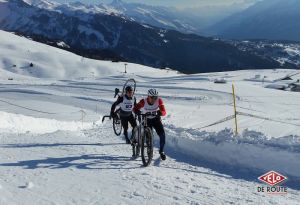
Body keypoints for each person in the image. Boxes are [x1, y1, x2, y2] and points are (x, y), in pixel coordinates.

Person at [133, 88, 167, 160]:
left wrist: (161, 113)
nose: (154, 99)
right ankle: (149, 149)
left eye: (155, 97)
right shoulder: (143, 101)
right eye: (152, 97)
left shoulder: (159, 101)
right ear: (148, 96)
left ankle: (161, 151)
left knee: (162, 135)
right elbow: (135, 108)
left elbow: (164, 111)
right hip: (146, 119)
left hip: (156, 119)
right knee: (148, 136)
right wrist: (137, 111)